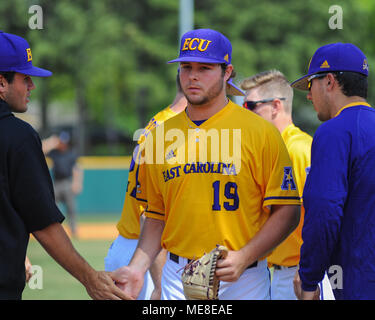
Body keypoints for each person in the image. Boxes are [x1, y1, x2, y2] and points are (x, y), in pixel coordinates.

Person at [112, 28, 301, 300]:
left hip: (243, 278)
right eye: (186, 67)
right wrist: (137, 268)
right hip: (177, 278)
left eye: (205, 68)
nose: (193, 76)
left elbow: (287, 210)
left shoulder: (261, 132)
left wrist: (245, 256)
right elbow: (156, 216)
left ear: (227, 72)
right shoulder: (158, 136)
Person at [0, 30, 130, 300]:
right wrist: (89, 278)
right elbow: (44, 224)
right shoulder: (17, 136)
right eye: (26, 78)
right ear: (2, 82)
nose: (31, 86)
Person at [291, 43, 375, 300]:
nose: (308, 95)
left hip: (359, 283)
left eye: (310, 85)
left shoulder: (334, 132)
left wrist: (308, 279)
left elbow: (325, 214)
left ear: (329, 81)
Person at [240, 70, 327, 300]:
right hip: (273, 273)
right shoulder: (271, 150)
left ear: (276, 106)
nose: (243, 112)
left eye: (250, 106)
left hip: (299, 275)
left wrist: (311, 272)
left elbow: (320, 217)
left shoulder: (298, 150)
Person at [105, 73, 187, 300]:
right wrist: (159, 285)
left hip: (138, 250)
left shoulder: (162, 122)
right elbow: (149, 216)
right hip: (146, 255)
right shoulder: (171, 130)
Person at [47, 131, 83, 237]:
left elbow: (76, 169)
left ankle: (74, 231)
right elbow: (40, 150)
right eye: (61, 141)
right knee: (53, 208)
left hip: (67, 183)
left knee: (71, 209)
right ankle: (55, 232)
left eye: (64, 141)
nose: (63, 143)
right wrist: (51, 142)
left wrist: (77, 183)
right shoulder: (54, 152)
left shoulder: (71, 153)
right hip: (56, 183)